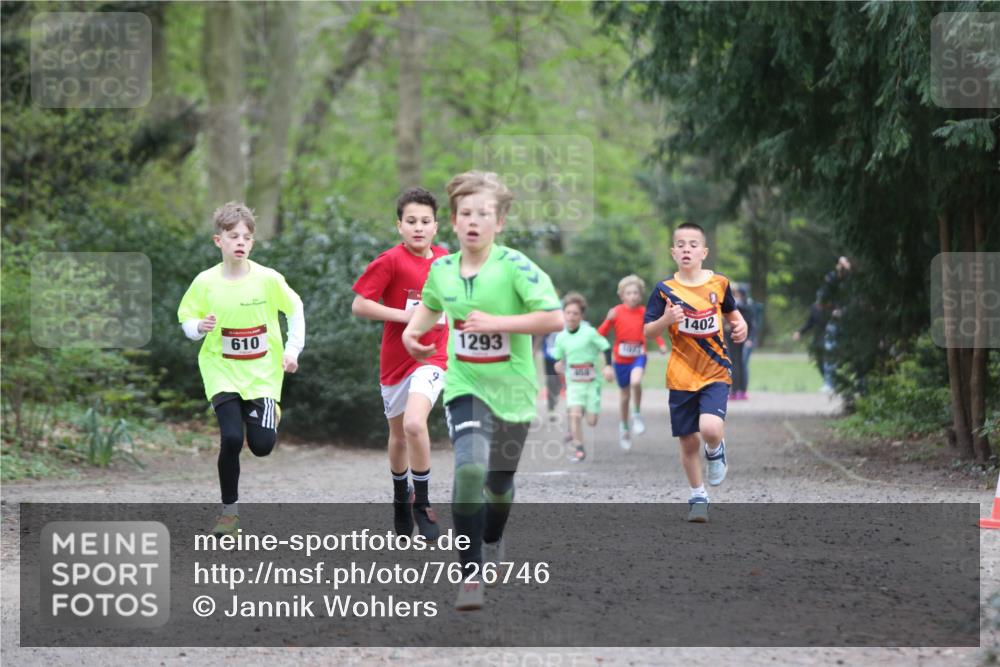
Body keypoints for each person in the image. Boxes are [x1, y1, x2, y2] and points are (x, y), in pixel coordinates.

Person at [402, 171, 563, 611]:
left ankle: (492, 537)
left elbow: (553, 319)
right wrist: (411, 339)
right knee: (470, 470)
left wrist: (499, 324)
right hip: (464, 384)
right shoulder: (441, 270)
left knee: (499, 482)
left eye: (484, 214)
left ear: (500, 221)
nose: (474, 221)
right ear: (453, 220)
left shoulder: (516, 267)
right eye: (466, 213)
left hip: (513, 390)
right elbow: (426, 316)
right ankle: (469, 575)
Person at [178, 202, 305, 537]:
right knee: (232, 438)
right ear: (218, 240)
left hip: (263, 373)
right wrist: (199, 328)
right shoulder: (205, 282)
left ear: (252, 242)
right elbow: (187, 320)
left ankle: (269, 413)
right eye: (233, 236)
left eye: (246, 237)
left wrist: (292, 349)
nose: (240, 242)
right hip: (220, 369)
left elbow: (295, 309)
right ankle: (229, 514)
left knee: (261, 446)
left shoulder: (268, 279)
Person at [351, 187, 449, 540]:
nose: (418, 227)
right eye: (411, 221)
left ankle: (422, 503)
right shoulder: (391, 260)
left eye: (425, 221)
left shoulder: (446, 260)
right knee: (397, 437)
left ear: (436, 227)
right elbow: (360, 305)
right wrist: (404, 315)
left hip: (433, 357)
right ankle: (399, 497)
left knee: (413, 425)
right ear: (399, 226)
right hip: (395, 362)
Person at [644, 222, 747, 523]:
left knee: (711, 429)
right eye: (680, 244)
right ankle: (697, 495)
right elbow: (649, 331)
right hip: (681, 374)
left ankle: (716, 450)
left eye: (692, 244)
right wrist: (666, 319)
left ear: (704, 251)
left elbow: (734, 315)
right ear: (673, 252)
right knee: (688, 441)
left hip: (715, 369)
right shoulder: (664, 290)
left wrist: (741, 326)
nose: (686, 248)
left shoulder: (719, 284)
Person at [597, 275, 668, 450]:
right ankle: (624, 427)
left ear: (640, 295)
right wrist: (608, 319)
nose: (633, 296)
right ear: (622, 295)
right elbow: (600, 334)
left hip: (639, 355)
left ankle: (636, 414)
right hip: (620, 360)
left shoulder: (644, 312)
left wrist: (661, 344)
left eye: (636, 293)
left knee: (636, 381)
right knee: (624, 396)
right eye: (629, 293)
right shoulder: (616, 312)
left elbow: (653, 330)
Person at [550, 292, 614, 462]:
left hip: (592, 384)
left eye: (575, 313)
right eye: (568, 313)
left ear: (581, 316)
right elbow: (559, 359)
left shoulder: (590, 333)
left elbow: (606, 347)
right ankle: (579, 448)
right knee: (575, 414)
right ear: (564, 314)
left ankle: (585, 409)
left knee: (592, 421)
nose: (571, 316)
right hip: (574, 384)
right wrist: (558, 365)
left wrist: (608, 366)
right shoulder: (561, 337)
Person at [725, 284, 756, 400]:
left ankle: (738, 391)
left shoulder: (742, 306)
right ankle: (738, 391)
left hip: (740, 338)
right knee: (738, 364)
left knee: (739, 365)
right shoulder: (745, 304)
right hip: (736, 338)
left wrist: (750, 340)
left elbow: (752, 325)